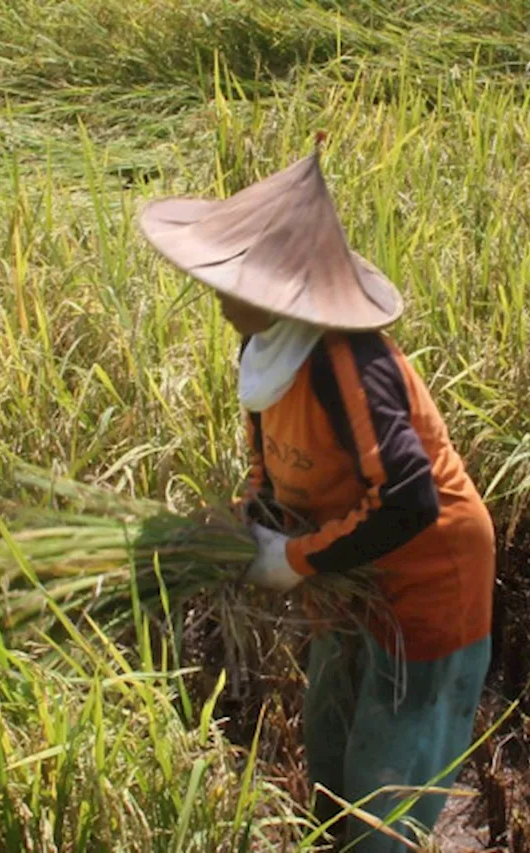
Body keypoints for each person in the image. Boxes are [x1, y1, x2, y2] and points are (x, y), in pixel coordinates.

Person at [133, 139, 496, 851]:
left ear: (278, 289)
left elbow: (409, 499)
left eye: (232, 278)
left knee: (384, 786)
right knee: (329, 746)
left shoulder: (349, 362)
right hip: (343, 571)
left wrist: (294, 560)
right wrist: (237, 531)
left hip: (427, 579)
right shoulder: (263, 355)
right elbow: (270, 473)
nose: (216, 292)